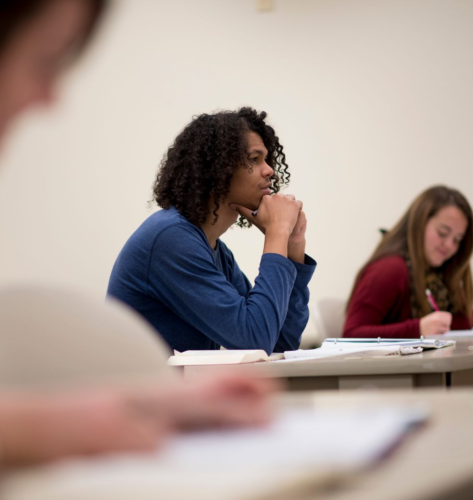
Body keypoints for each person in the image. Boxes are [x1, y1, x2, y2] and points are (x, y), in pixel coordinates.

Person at [0, 0, 274, 473]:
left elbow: (274, 338)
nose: (52, 96)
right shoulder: (170, 238)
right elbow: (255, 333)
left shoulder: (213, 249)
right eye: (45, 58)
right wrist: (276, 242)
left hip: (147, 417)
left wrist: (293, 255)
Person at [107, 108, 317, 354]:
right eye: (254, 159)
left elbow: (280, 341)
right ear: (218, 168)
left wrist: (292, 246)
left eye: (267, 159)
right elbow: (256, 340)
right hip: (140, 391)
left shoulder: (215, 250)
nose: (269, 170)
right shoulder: (171, 239)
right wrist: (276, 234)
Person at [344, 185, 473, 338]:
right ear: (420, 223)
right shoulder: (389, 270)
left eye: (457, 240)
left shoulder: (441, 272)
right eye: (442, 232)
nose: (449, 245)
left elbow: (458, 325)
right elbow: (351, 334)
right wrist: (418, 329)